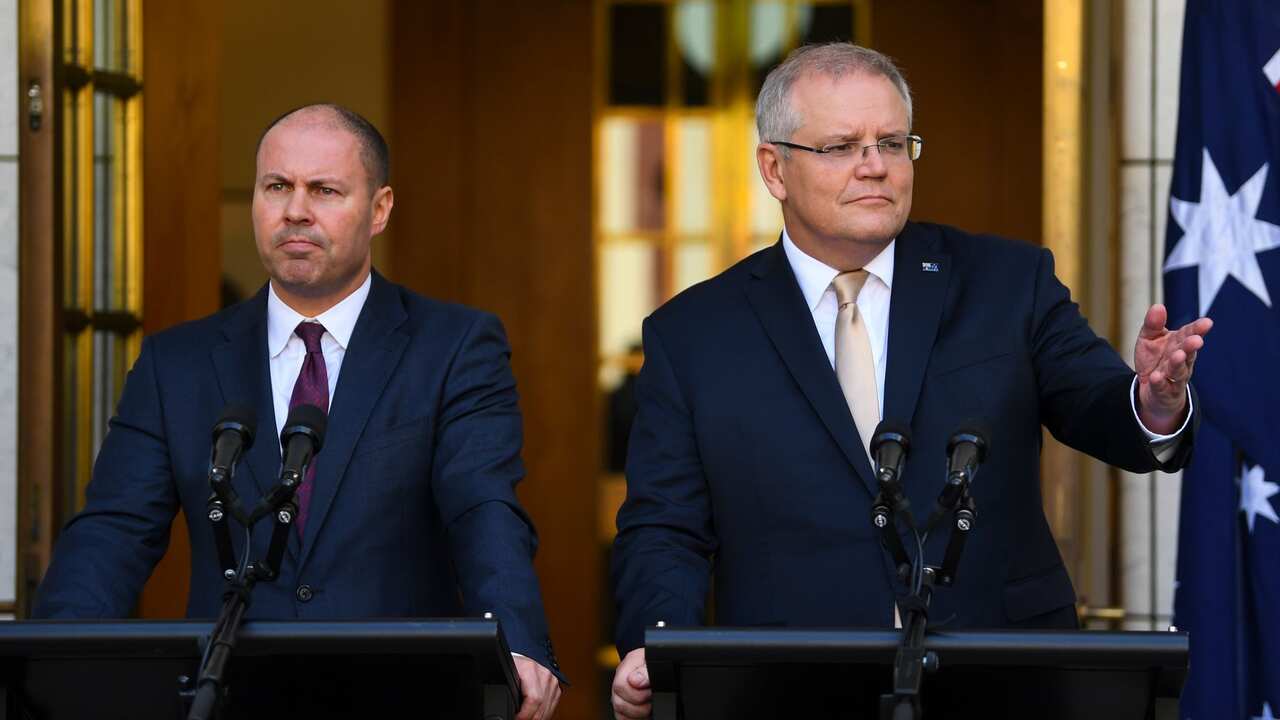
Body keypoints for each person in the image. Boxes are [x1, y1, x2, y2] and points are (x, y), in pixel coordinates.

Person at [609, 43, 1213, 719]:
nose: (875, 165)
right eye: (842, 146)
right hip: (789, 685)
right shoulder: (694, 334)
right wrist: (655, 646)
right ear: (774, 168)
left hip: (1002, 678)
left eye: (893, 143)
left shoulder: (1007, 284)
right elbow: (665, 528)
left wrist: (1152, 401)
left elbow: (1100, 407)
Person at [34, 104, 563, 719]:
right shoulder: (176, 363)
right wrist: (52, 659)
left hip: (403, 694)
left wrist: (517, 640)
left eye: (325, 190)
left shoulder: (454, 347)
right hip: (232, 695)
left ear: (380, 209)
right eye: (277, 186)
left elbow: (483, 508)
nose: (295, 210)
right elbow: (115, 530)